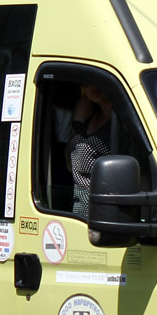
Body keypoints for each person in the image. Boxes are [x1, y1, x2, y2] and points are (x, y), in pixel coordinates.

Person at [67, 84, 115, 219]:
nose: (90, 86)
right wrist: (77, 121)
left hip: (103, 218)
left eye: (96, 81)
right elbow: (70, 165)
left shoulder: (122, 123)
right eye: (85, 82)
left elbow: (142, 177)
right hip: (80, 217)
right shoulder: (87, 117)